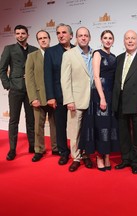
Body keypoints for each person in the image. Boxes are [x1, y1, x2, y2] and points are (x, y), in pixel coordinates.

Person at [79, 30, 119, 171]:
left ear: (113, 41)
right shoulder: (97, 53)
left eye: (110, 38)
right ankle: (99, 156)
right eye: (105, 38)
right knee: (100, 126)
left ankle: (107, 155)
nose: (108, 40)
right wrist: (102, 97)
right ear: (101, 40)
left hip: (111, 94)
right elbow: (96, 76)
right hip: (99, 94)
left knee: (108, 126)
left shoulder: (114, 57)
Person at [112, 30, 137, 174]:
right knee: (123, 132)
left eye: (133, 38)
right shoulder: (119, 58)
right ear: (123, 41)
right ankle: (125, 158)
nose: (130, 40)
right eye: (127, 38)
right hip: (120, 100)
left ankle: (135, 161)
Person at [0, 25, 38, 160]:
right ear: (15, 35)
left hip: (31, 90)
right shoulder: (9, 49)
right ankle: (12, 149)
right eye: (18, 33)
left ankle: (33, 145)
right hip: (15, 89)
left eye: (23, 33)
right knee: (13, 120)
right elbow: (2, 69)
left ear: (28, 34)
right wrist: (8, 85)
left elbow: (38, 70)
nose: (20, 35)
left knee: (31, 119)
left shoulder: (34, 50)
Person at [61, 27, 94, 172]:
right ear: (76, 37)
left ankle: (86, 154)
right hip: (76, 99)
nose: (83, 38)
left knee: (88, 131)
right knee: (75, 131)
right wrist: (69, 100)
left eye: (86, 35)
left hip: (93, 100)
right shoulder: (69, 54)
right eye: (80, 35)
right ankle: (76, 157)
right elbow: (65, 79)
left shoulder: (95, 53)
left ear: (89, 38)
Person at [25, 30, 58, 162]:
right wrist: (33, 98)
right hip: (38, 97)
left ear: (49, 39)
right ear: (38, 41)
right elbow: (29, 79)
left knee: (55, 124)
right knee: (38, 125)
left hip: (54, 96)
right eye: (40, 38)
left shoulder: (55, 54)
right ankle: (39, 149)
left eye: (45, 38)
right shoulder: (32, 56)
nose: (43, 40)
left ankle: (56, 148)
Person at [44, 23, 74, 165]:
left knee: (77, 126)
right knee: (60, 126)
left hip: (76, 95)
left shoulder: (78, 50)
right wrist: (50, 96)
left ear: (71, 35)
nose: (61, 35)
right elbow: (47, 76)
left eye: (64, 32)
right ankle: (63, 152)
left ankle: (79, 152)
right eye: (58, 33)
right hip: (58, 95)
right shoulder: (51, 52)